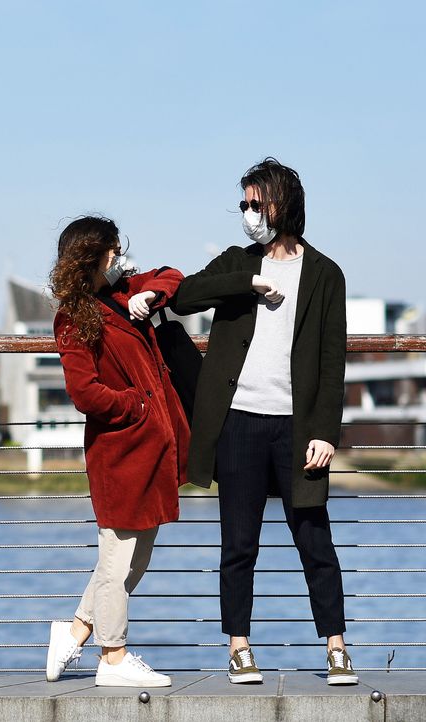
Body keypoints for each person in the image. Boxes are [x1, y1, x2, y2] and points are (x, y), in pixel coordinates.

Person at [169, 158, 356, 685]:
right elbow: (184, 296)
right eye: (244, 205)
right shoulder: (235, 262)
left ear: (283, 204)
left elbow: (331, 359)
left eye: (257, 203)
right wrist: (248, 282)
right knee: (239, 543)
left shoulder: (325, 275)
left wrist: (325, 431)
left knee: (314, 538)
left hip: (297, 430)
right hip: (238, 423)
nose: (249, 214)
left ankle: (337, 647)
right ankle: (239, 647)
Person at [45, 216, 188, 687]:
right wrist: (137, 404)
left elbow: (172, 274)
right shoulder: (73, 316)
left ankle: (76, 630)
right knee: (118, 557)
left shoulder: (124, 292)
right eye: (113, 251)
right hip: (120, 451)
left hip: (149, 448)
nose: (120, 257)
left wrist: (151, 295)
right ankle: (113, 656)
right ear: (96, 256)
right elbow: (84, 392)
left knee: (134, 558)